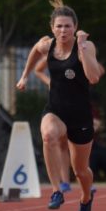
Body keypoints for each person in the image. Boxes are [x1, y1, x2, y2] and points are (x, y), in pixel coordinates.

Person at [17, 0, 102, 211]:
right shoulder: (48, 45)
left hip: (80, 115)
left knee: (80, 171)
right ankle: (56, 191)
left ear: (75, 27)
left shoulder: (86, 46)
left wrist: (82, 47)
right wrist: (24, 76)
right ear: (52, 28)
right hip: (56, 109)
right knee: (48, 135)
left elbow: (93, 77)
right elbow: (35, 51)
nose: (63, 31)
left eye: (67, 26)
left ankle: (86, 197)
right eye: (59, 26)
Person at [34, 57, 72, 193]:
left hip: (77, 105)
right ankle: (63, 182)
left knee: (77, 144)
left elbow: (98, 72)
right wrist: (49, 82)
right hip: (58, 107)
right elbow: (38, 70)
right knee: (60, 143)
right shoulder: (53, 53)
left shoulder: (81, 52)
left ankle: (84, 180)